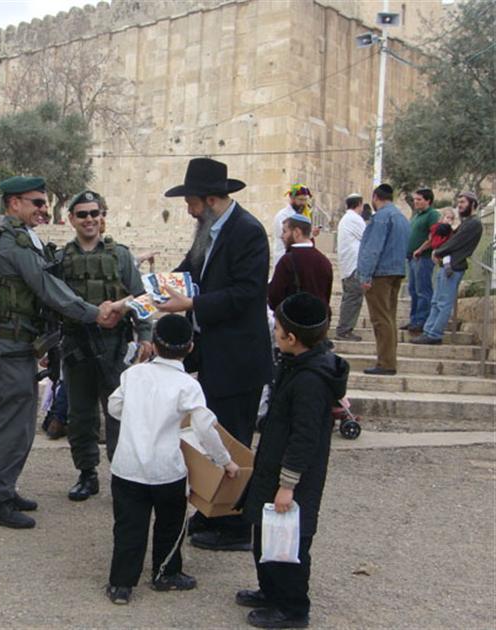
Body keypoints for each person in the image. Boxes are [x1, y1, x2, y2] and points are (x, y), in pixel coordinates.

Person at [0, 176, 122, 530]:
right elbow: (48, 288)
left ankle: (3, 489)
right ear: (14, 203)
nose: (43, 209)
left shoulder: (10, 238)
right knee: (13, 426)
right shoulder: (15, 242)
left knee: (11, 423)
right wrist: (93, 313)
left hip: (6, 343)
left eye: (45, 203)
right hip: (9, 346)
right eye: (37, 202)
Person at [157, 158, 272, 551]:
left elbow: (246, 293)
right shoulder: (209, 230)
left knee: (232, 441)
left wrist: (192, 304)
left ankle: (236, 526)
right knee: (213, 439)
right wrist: (152, 290)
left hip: (238, 360)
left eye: (191, 202)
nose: (188, 210)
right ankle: (214, 512)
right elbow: (189, 269)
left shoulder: (247, 232)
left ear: (209, 199)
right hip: (214, 357)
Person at [106, 314, 239, 605]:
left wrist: (136, 415)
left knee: (128, 526)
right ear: (190, 348)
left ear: (153, 345)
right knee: (170, 523)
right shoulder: (187, 385)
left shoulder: (133, 374)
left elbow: (114, 406)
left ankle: (121, 584)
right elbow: (205, 427)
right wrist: (224, 460)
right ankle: (166, 572)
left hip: (127, 467)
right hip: (167, 470)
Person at [236, 292, 349, 629]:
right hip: (272, 465)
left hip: (292, 476)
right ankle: (270, 591)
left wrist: (288, 485)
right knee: (266, 533)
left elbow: (304, 438)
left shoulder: (311, 381)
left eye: (278, 329)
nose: (274, 332)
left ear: (292, 338)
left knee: (289, 540)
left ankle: (292, 608)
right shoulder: (295, 363)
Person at [57, 190, 153, 501]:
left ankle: (122, 475)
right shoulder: (60, 259)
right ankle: (87, 474)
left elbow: (141, 298)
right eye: (82, 214)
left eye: (94, 213)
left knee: (119, 413)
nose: (89, 219)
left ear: (102, 217)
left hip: (114, 347)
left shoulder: (121, 256)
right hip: (77, 345)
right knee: (80, 415)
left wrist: (146, 336)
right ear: (71, 219)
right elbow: (53, 303)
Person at [412, 192, 483, 345]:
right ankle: (429, 331)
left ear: (473, 204)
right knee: (436, 301)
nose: (460, 205)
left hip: (454, 267)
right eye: (459, 202)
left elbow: (456, 242)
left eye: (463, 202)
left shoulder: (474, 223)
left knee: (443, 302)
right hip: (445, 265)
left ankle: (434, 334)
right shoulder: (467, 222)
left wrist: (438, 251)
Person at [356, 183, 410, 376]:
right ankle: (389, 359)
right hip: (396, 271)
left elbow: (373, 248)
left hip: (380, 273)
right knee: (389, 317)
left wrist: (365, 275)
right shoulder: (401, 218)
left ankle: (385, 363)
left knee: (380, 319)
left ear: (375, 197)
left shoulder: (380, 218)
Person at [267, 214, 333, 313]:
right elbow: (326, 297)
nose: (282, 236)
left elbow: (275, 297)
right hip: (318, 320)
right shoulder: (325, 262)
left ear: (297, 232)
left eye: (285, 231)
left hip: (293, 319)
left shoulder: (287, 261)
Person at [403, 188, 439, 334]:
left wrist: (420, 249)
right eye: (415, 199)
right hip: (412, 258)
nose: (416, 202)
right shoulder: (417, 216)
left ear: (428, 200)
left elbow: (433, 236)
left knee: (423, 290)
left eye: (419, 199)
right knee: (413, 289)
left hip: (423, 257)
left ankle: (422, 321)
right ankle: (414, 319)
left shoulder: (432, 215)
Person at [334, 193, 367, 341]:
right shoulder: (354, 219)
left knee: (350, 297)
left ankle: (344, 328)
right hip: (353, 265)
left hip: (348, 265)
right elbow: (367, 237)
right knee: (353, 298)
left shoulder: (346, 219)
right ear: (359, 204)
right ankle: (344, 330)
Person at [271, 184, 313, 268]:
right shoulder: (283, 215)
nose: (303, 203)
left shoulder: (304, 214)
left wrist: (312, 233)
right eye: (300, 200)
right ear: (292, 198)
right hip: (284, 256)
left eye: (305, 200)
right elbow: (289, 237)